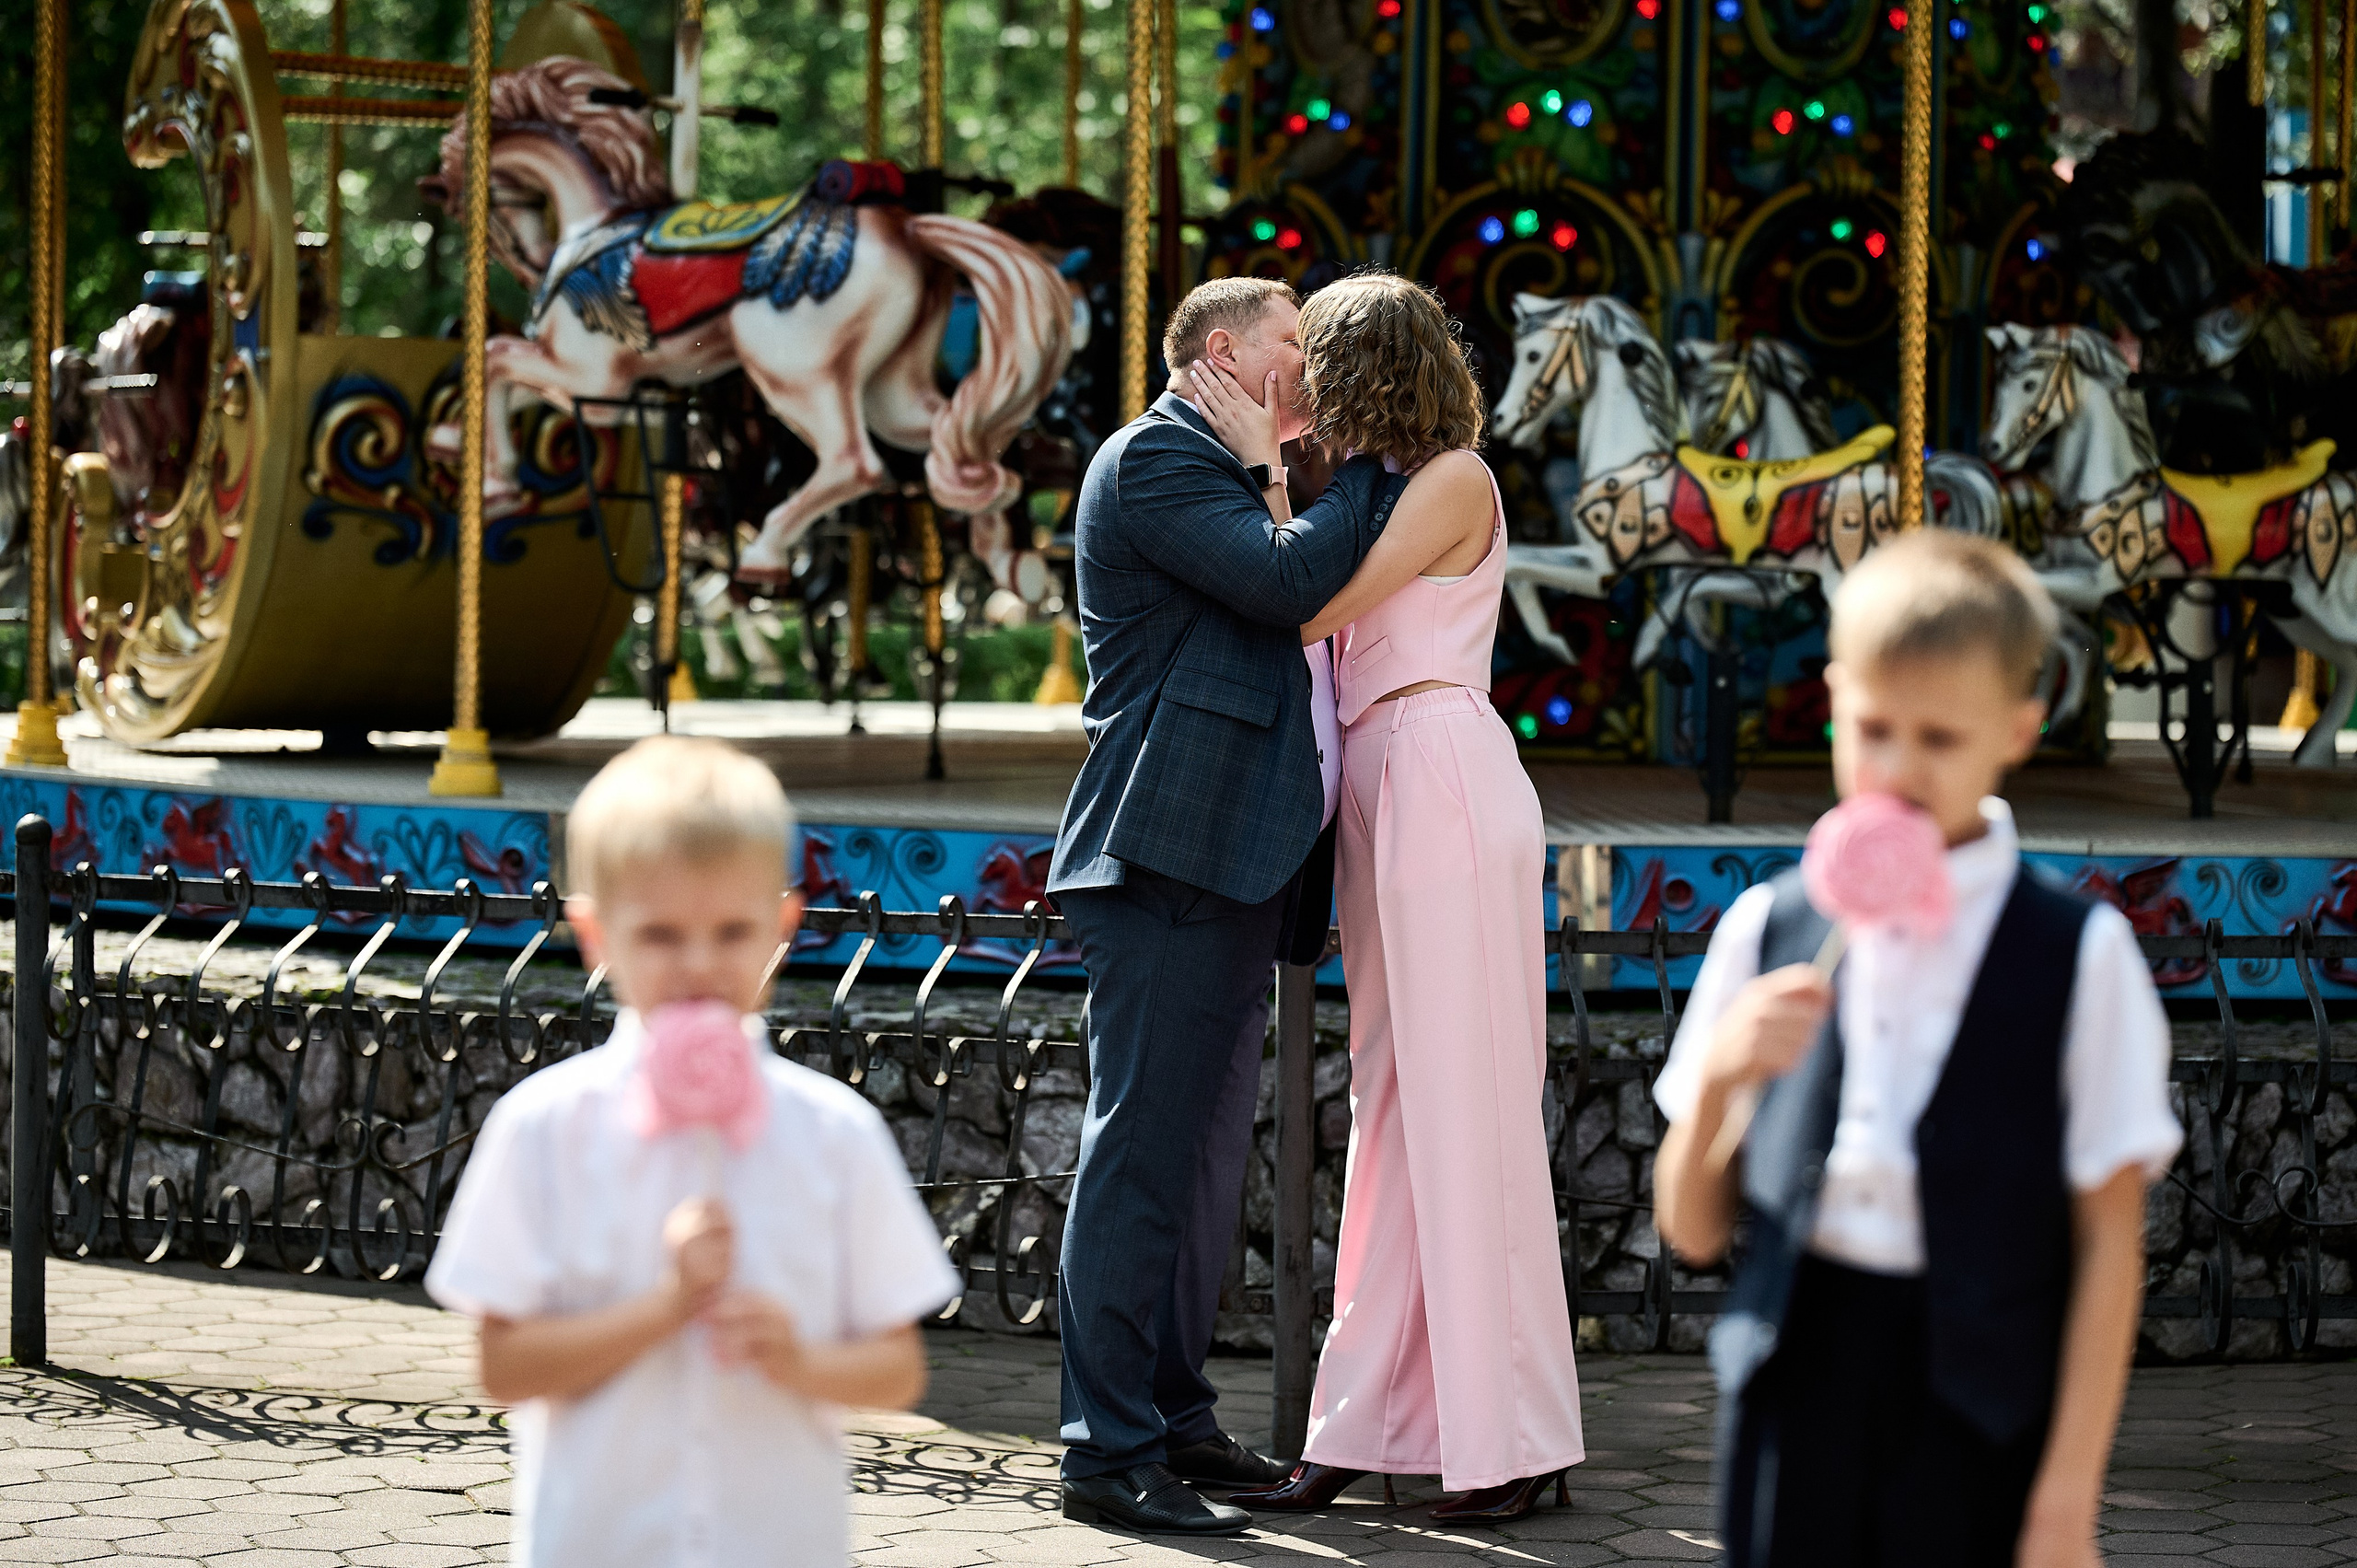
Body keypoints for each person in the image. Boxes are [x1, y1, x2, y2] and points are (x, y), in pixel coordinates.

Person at [1651, 532, 2182, 1568]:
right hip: (1792, 1387)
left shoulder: (2082, 955)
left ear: (2018, 731)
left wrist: (2066, 1505)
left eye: (1938, 738)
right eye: (1872, 728)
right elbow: (1693, 1231)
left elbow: (2109, 1243)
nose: (1895, 769)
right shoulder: (1768, 927)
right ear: (1834, 698)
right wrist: (1719, 1078)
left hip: (1977, 1404)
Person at [1191, 271, 1586, 1523]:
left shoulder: (1454, 478)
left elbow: (1307, 603)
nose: (1295, 379)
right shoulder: (1372, 491)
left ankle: (1511, 1433)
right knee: (1396, 1108)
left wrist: (1264, 471)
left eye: (1313, 359)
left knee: (1464, 1104)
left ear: (1365, 367)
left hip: (1438, 771)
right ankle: (1369, 1419)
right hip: (1383, 784)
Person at [1047, 276, 1412, 1538]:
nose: (1308, 370)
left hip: (1230, 859)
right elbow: (1286, 582)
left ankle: (1175, 1419)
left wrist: (1282, 464)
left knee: (1198, 1165)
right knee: (1143, 1152)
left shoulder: (1234, 463)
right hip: (1167, 851)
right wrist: (1366, 461)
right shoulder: (1157, 457)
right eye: (1289, 348)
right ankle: (1104, 1449)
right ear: (1223, 352)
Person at [425, 736, 959, 1568]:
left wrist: (800, 1358)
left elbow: (897, 1370)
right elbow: (503, 1367)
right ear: (596, 934)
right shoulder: (543, 1129)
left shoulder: (833, 1133)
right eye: (663, 934)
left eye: (734, 930)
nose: (702, 965)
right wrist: (667, 1305)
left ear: (782, 927)